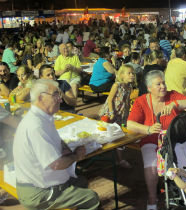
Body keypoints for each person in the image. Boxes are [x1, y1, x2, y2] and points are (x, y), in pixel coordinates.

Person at [13, 79, 100, 210]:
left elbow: (57, 140)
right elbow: (56, 164)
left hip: (41, 183)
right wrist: (76, 156)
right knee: (91, 198)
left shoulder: (42, 117)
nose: (60, 99)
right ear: (41, 98)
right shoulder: (36, 126)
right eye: (55, 95)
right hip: (39, 191)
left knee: (81, 180)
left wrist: (66, 148)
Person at [127, 70, 186, 210]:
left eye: (164, 83)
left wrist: (176, 104)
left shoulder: (172, 96)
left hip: (174, 140)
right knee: (152, 168)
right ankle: (152, 199)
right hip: (151, 140)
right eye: (158, 84)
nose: (163, 86)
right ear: (149, 88)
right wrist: (147, 129)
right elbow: (130, 124)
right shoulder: (141, 101)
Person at [99, 64, 136, 168]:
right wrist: (111, 113)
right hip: (110, 113)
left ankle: (120, 160)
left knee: (119, 135)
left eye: (133, 73)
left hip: (120, 114)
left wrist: (127, 114)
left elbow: (127, 101)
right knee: (103, 133)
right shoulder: (117, 85)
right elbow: (110, 99)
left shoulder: (129, 86)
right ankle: (100, 152)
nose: (132, 75)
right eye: (129, 73)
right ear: (122, 75)